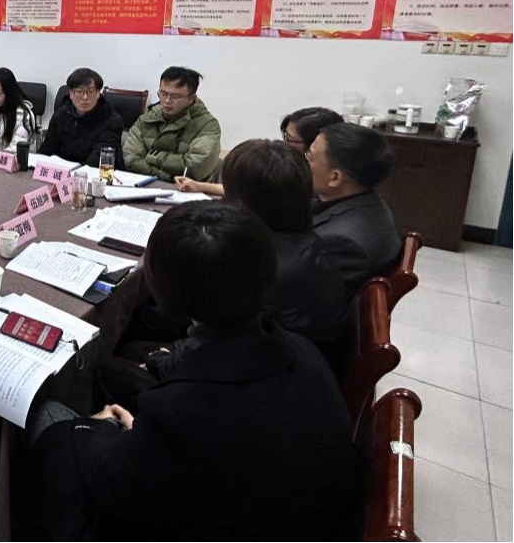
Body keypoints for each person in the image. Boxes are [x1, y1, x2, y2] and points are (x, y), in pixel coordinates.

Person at [27, 202, 359, 542]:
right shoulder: (305, 352)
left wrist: (104, 430)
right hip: (291, 514)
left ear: (160, 290)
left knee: (49, 417)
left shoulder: (180, 412)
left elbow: (115, 484)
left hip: (202, 518)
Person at [144, 140, 350, 378]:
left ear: (243, 202)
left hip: (259, 378)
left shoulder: (257, 263)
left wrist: (160, 360)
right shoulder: (302, 238)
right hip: (283, 362)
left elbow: (222, 344)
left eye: (229, 193)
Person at [308, 123, 401, 296]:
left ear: (335, 177)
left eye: (309, 157)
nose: (303, 161)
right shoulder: (367, 200)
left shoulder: (342, 242)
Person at [175, 106, 343, 196]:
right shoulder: (291, 168)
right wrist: (198, 185)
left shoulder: (315, 180)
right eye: (284, 136)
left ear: (315, 143)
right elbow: (247, 190)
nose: (284, 144)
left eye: (290, 139)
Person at [123, 66, 221, 182]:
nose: (167, 100)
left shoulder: (207, 125)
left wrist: (155, 157)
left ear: (192, 98)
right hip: (145, 184)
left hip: (190, 190)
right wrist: (166, 177)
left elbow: (194, 168)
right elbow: (130, 158)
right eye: (163, 94)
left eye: (175, 96)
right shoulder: (147, 118)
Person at [38, 68, 124, 169]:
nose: (85, 97)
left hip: (99, 175)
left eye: (90, 91)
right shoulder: (60, 115)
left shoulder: (112, 121)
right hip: (62, 172)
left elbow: (96, 161)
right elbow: (47, 149)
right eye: (79, 92)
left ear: (98, 93)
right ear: (70, 94)